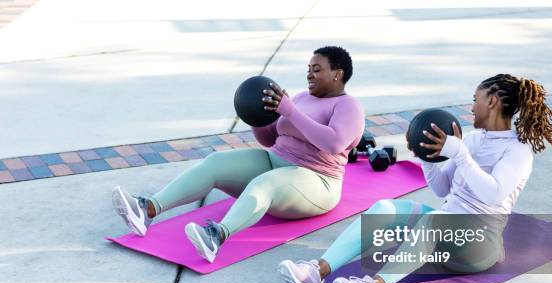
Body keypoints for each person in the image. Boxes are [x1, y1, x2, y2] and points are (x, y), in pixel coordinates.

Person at [278, 74, 552, 283]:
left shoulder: (518, 150)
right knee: (384, 208)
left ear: (492, 101)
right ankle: (316, 273)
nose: (472, 107)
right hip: (447, 229)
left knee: (435, 219)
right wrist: (428, 159)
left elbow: (494, 192)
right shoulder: (472, 140)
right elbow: (444, 190)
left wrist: (459, 153)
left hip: (480, 241)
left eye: (475, 99)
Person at [112, 46, 365, 263]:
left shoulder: (348, 106)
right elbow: (269, 139)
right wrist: (257, 116)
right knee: (216, 162)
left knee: (264, 183)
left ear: (337, 74)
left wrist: (290, 111)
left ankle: (215, 237)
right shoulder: (300, 98)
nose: (310, 73)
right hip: (275, 162)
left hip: (316, 180)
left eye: (317, 69)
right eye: (308, 68)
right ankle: (147, 210)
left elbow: (333, 143)